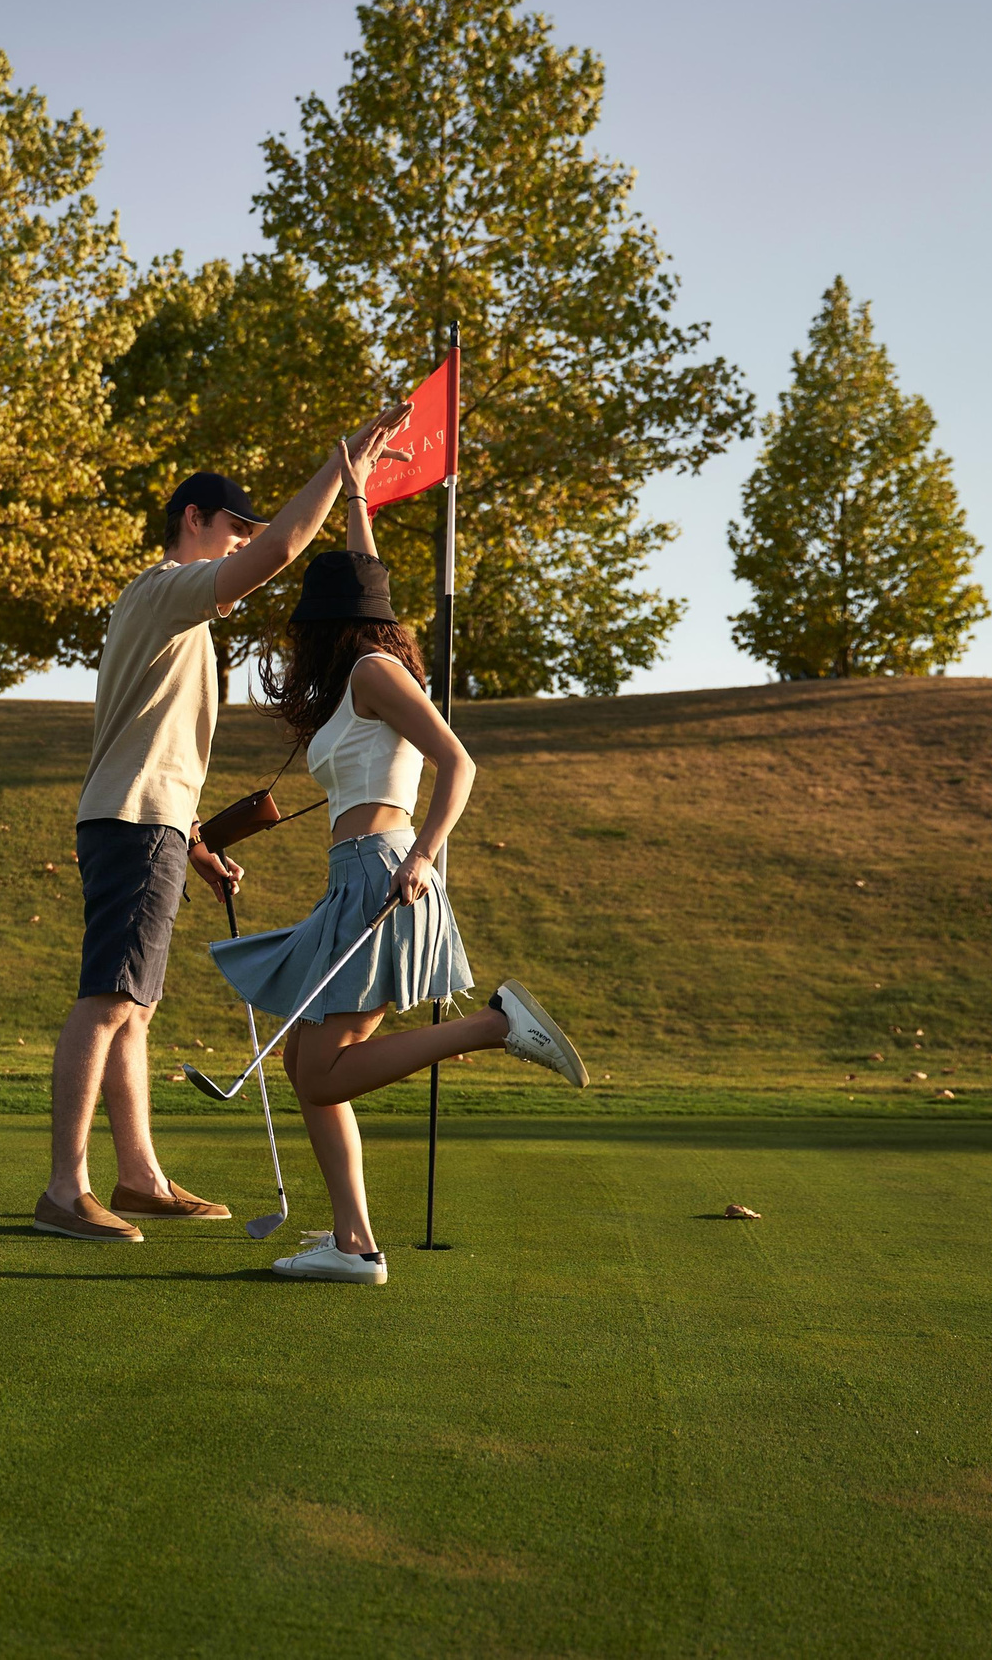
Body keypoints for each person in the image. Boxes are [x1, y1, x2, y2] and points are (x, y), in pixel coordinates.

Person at [36, 407, 414, 1242]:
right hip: (133, 822)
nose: (242, 542)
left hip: (150, 823)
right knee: (106, 998)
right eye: (230, 528)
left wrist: (195, 843)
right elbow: (281, 550)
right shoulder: (164, 588)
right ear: (192, 520)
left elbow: (154, 746)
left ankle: (138, 1177)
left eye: (245, 528)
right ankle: (66, 1189)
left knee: (133, 1004)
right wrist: (341, 466)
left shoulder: (180, 618)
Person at [206, 461, 589, 1283]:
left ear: (327, 622)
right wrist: (356, 499)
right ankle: (354, 1243)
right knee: (303, 1064)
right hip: (350, 878)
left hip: (387, 873)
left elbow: (460, 763)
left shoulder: (376, 674)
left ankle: (496, 1025)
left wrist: (420, 857)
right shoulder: (358, 676)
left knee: (326, 1068)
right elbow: (363, 578)